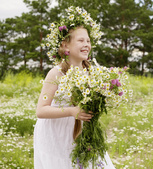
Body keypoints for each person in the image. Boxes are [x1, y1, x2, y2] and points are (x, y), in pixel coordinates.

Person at [34, 6, 115, 169]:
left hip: (82, 134)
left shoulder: (93, 71)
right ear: (65, 46)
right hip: (57, 136)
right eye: (81, 40)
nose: (86, 44)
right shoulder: (55, 73)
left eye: (88, 40)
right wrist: (72, 111)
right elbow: (41, 111)